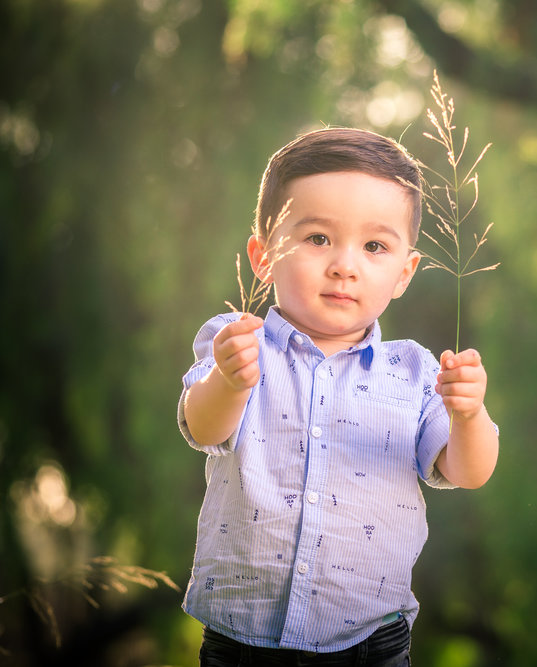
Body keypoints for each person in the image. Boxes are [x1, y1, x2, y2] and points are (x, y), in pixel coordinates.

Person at [177, 127, 499, 666]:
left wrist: (468, 415)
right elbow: (203, 428)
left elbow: (468, 471)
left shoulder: (414, 371)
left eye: (374, 246)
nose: (344, 265)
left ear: (404, 272)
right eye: (318, 238)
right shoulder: (238, 340)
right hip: (243, 641)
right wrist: (229, 382)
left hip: (369, 645)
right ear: (263, 255)